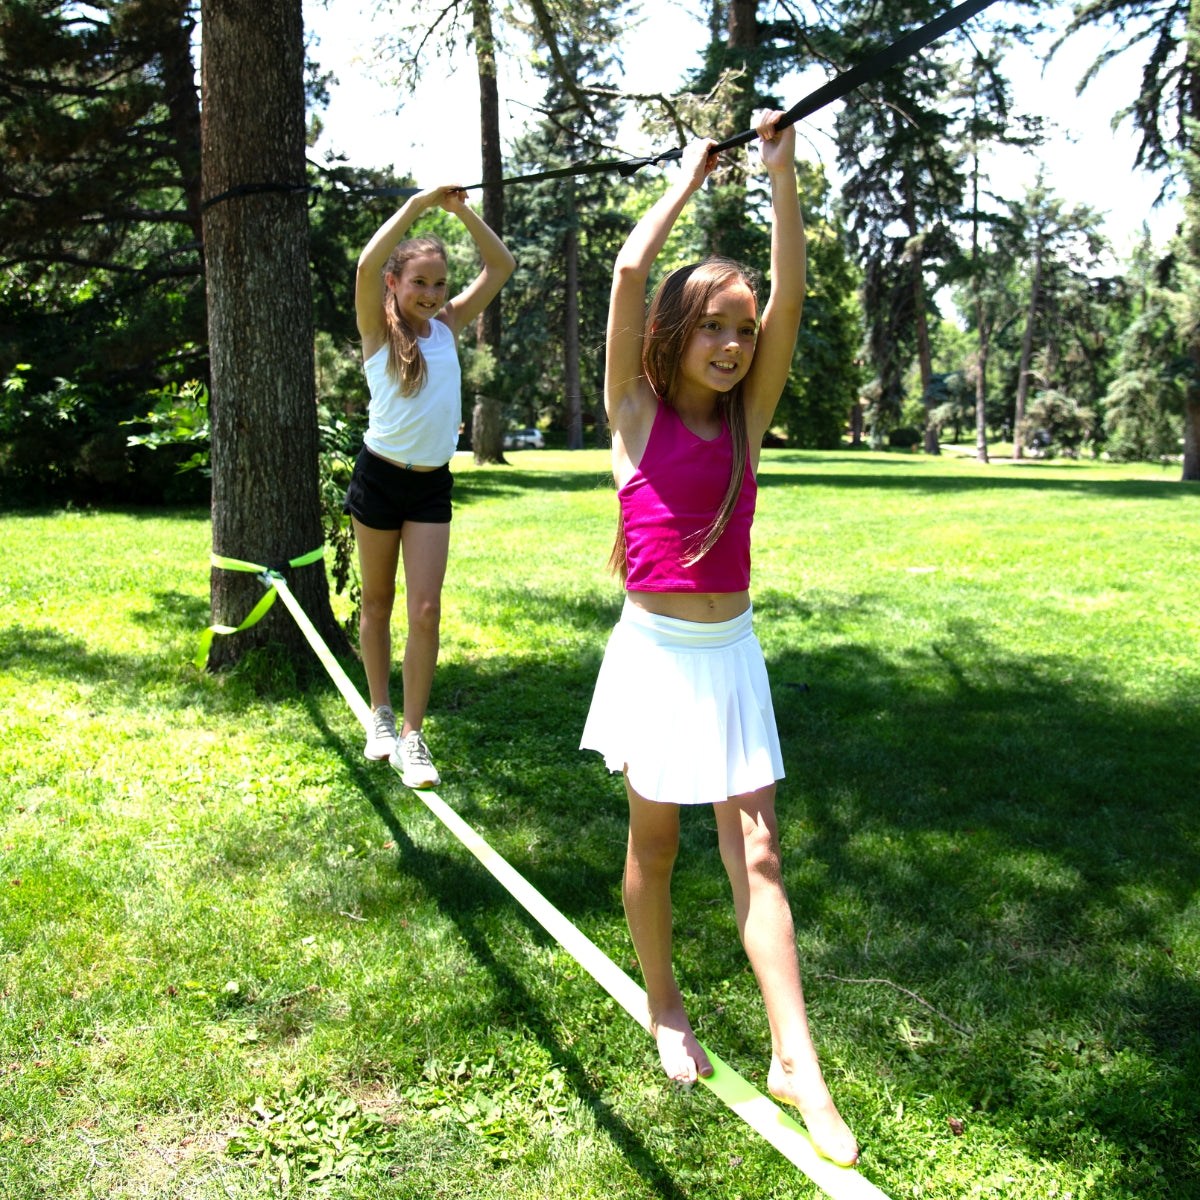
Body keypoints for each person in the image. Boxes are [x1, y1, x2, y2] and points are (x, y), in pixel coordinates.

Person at [580, 112, 858, 1167]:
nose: (735, 344)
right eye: (714, 328)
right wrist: (691, 175)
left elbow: (793, 293)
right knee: (654, 846)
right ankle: (664, 1002)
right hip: (656, 659)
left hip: (732, 655)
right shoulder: (632, 412)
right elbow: (627, 269)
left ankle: (797, 1061)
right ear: (675, 332)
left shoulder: (749, 419)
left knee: (761, 855)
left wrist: (782, 175)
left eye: (743, 329)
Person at [345, 185, 514, 787]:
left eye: (440, 284)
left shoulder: (446, 327)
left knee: (425, 609)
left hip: (430, 486)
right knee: (377, 602)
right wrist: (418, 205)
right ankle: (381, 715)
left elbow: (501, 266)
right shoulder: (376, 328)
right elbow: (365, 264)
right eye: (419, 282)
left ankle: (414, 736)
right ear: (394, 283)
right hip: (378, 478)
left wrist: (461, 211)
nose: (432, 294)